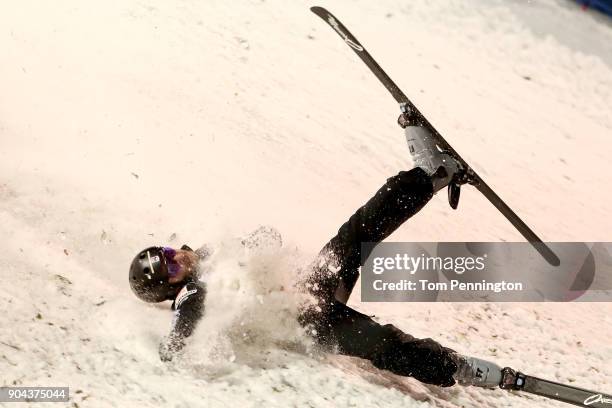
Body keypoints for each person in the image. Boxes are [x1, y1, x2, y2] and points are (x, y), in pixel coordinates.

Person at [128, 113, 503, 389]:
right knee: (378, 342)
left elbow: (266, 238)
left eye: (167, 251)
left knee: (357, 231)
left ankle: (432, 174)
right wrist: (168, 349)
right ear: (171, 287)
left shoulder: (209, 253)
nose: (177, 258)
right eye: (170, 268)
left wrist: (258, 246)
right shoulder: (193, 294)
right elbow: (181, 331)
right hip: (308, 325)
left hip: (308, 289)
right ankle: (460, 368)